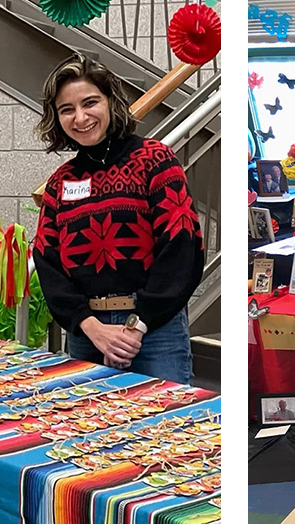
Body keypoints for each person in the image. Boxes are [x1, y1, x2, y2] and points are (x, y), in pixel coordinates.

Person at [32, 55, 204, 384]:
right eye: (67, 109)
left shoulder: (154, 160)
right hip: (87, 334)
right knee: (88, 431)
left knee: (166, 429)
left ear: (111, 102)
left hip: (154, 331)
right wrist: (91, 327)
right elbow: (48, 262)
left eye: (90, 102)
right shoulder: (59, 183)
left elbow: (182, 245)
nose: (80, 117)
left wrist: (135, 328)